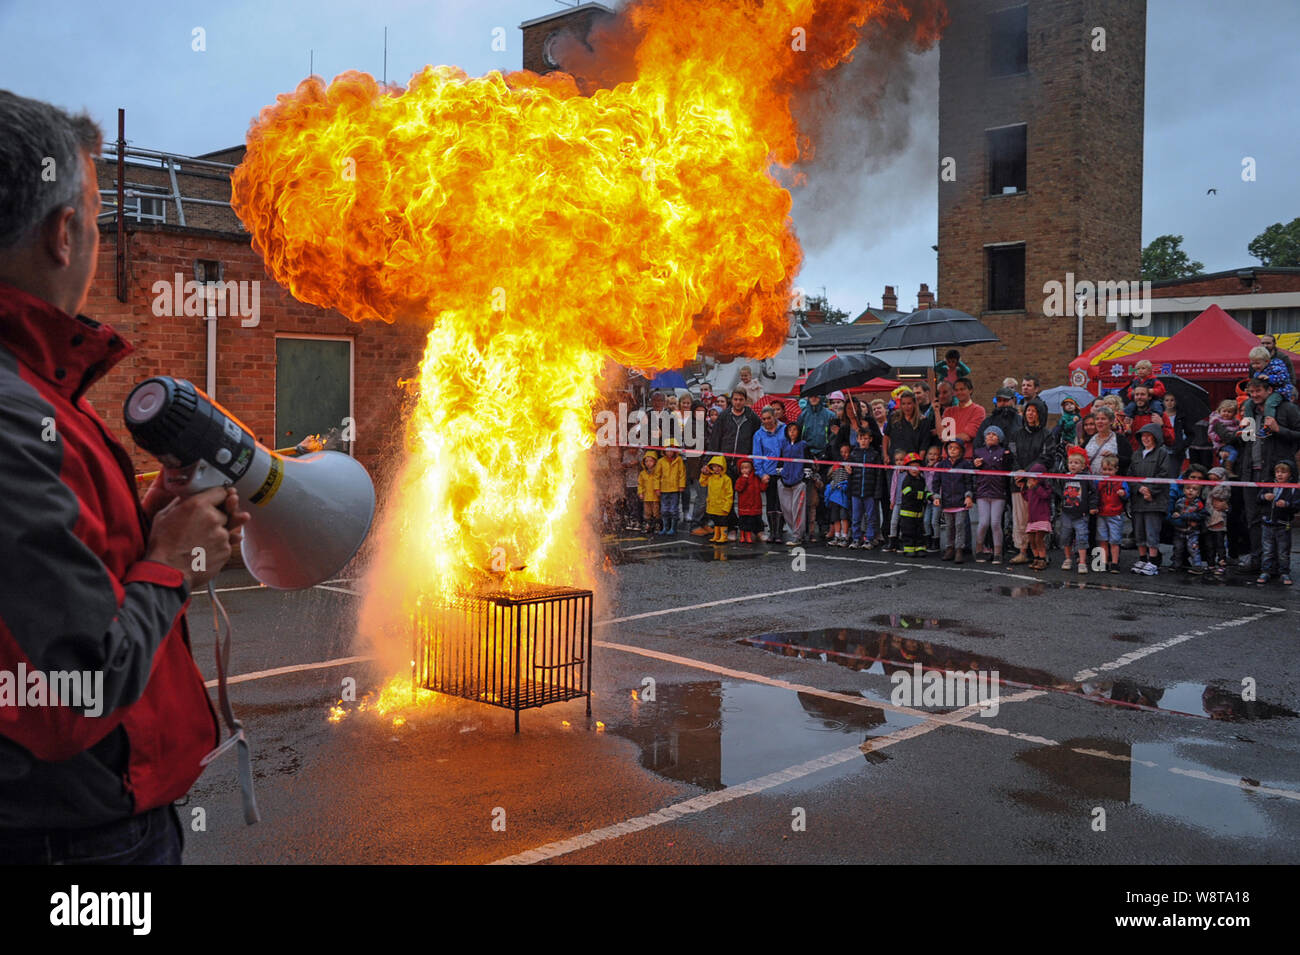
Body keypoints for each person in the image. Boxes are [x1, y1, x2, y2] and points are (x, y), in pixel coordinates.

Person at [0, 91, 249, 864]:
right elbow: (76, 686)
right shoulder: (15, 411)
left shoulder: (33, 390)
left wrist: (143, 528)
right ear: (65, 232)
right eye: (99, 219)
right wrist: (169, 563)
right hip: (73, 844)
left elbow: (38, 579)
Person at [1234, 374, 1300, 570]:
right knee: (1253, 518)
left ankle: (1279, 565)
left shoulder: (1287, 408)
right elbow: (1246, 442)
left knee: (1277, 519)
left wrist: (1279, 429)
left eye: (1258, 391)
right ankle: (1257, 560)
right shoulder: (1249, 410)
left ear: (1269, 391)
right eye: (1251, 392)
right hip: (1250, 471)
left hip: (1275, 473)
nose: (1254, 395)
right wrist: (1240, 434)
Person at [1007, 397, 1054, 565]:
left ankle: (1040, 554)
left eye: (1034, 411)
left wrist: (1028, 473)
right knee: (1020, 519)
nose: (1030, 414)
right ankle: (1022, 551)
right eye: (1028, 410)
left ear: (1040, 413)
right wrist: (1019, 472)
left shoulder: (1047, 435)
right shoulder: (1016, 435)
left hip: (1037, 484)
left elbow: (1047, 457)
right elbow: (1012, 455)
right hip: (1019, 483)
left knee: (1038, 521)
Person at [1129, 422, 1171, 575]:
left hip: (1155, 501)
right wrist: (1139, 488)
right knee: (1139, 531)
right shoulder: (1136, 454)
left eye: (1148, 436)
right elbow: (1130, 475)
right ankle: (1142, 558)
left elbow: (1164, 474)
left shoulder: (1162, 453)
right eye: (1143, 436)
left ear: (1155, 437)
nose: (1145, 439)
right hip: (1138, 500)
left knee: (1152, 531)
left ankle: (1153, 561)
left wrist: (1150, 490)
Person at [972, 425, 1013, 564]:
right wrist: (975, 464)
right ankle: (979, 550)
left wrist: (1008, 457)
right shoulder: (978, 452)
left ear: (1000, 438)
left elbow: (1008, 470)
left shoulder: (1004, 452)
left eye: (994, 434)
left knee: (995, 523)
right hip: (982, 491)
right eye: (988, 434)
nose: (990, 436)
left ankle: (998, 552)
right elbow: (973, 472)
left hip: (998, 492)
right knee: (983, 523)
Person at [1055, 447, 1097, 574]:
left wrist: (1093, 506)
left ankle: (1082, 562)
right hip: (1067, 513)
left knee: (1082, 537)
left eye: (1076, 463)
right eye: (1070, 462)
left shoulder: (1086, 478)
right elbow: (1060, 490)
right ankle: (1068, 559)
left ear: (1083, 465)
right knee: (1065, 537)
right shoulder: (1065, 477)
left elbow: (1094, 493)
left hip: (1081, 514)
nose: (1073, 465)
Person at [933, 438, 974, 563]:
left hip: (960, 502)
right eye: (950, 448)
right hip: (946, 502)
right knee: (949, 526)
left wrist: (968, 496)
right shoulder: (941, 465)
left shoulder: (965, 465)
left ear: (961, 451)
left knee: (959, 526)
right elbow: (936, 482)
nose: (953, 450)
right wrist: (936, 497)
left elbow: (969, 482)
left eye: (956, 448)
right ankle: (949, 548)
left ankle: (959, 549)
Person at [1257, 459, 1297, 585]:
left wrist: (1287, 504)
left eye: (1283, 472)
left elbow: (1297, 504)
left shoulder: (1293, 488)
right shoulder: (1269, 485)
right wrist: (1264, 497)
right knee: (1267, 549)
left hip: (1283, 524)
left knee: (1283, 551)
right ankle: (1266, 571)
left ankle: (1284, 572)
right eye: (1277, 472)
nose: (1279, 474)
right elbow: (1258, 498)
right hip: (1267, 523)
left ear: (1290, 474)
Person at [752, 406, 786, 543]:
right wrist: (761, 473)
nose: (767, 421)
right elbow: (757, 455)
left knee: (782, 503)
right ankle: (772, 532)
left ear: (774, 417)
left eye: (769, 418)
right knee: (771, 503)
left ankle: (779, 531)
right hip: (769, 473)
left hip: (784, 472)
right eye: (764, 419)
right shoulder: (758, 434)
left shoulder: (785, 429)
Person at [848, 426, 884, 548]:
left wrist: (877, 491)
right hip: (856, 491)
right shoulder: (853, 454)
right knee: (856, 517)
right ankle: (856, 538)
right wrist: (850, 490)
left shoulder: (874, 455)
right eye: (861, 438)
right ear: (857, 439)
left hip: (870, 491)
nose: (863, 441)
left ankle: (869, 538)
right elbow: (850, 475)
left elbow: (879, 475)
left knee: (871, 516)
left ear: (871, 439)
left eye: (866, 438)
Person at [1168, 470, 1209, 574]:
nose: (1190, 491)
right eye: (1188, 488)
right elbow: (1173, 513)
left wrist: (1184, 516)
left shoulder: (1199, 504)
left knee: (1193, 549)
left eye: (1194, 489)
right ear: (1183, 490)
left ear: (1198, 492)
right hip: (1179, 531)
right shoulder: (1179, 501)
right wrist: (1175, 516)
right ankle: (1176, 564)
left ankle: (1197, 566)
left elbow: (1202, 515)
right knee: (1178, 548)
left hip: (1192, 532)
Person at [777, 422, 811, 546]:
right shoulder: (784, 444)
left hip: (799, 482)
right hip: (784, 481)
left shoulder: (803, 445)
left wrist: (804, 479)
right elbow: (780, 461)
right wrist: (781, 475)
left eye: (795, 430)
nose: (792, 432)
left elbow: (808, 463)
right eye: (790, 430)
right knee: (787, 509)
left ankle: (798, 535)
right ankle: (795, 531)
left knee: (798, 510)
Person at [1095, 453, 1129, 574]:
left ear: (1116, 469)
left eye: (1110, 470)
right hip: (1102, 513)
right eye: (1104, 469)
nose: (1107, 472)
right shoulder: (1099, 481)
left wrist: (1123, 493)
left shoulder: (1121, 481)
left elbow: (1127, 494)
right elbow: (1094, 494)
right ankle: (1103, 562)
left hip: (1115, 514)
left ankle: (1114, 563)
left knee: (1114, 540)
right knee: (1102, 539)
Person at [941, 377, 986, 460]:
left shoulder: (978, 410)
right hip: (946, 457)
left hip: (965, 457)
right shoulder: (949, 411)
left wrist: (947, 438)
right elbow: (941, 435)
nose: (959, 392)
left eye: (962, 389)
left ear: (970, 390)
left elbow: (967, 436)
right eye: (957, 390)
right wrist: (936, 412)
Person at [1021, 463, 1054, 571]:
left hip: (1042, 518)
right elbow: (1027, 498)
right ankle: (1036, 557)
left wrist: (1036, 487)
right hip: (1032, 518)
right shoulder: (1030, 489)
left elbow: (1045, 495)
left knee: (1038, 539)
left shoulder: (1045, 487)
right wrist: (1023, 489)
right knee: (1032, 540)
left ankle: (1042, 558)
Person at [898, 453, 928, 557]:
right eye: (912, 467)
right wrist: (923, 495)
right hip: (907, 513)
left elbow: (925, 491)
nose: (915, 469)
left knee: (919, 531)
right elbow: (909, 494)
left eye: (917, 466)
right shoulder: (906, 480)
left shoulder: (922, 480)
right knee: (908, 531)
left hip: (918, 513)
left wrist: (930, 496)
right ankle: (908, 548)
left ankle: (920, 547)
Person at [699, 455, 734, 544]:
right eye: (714, 466)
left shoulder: (726, 479)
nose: (717, 469)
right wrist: (704, 474)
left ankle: (723, 536)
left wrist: (727, 506)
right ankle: (717, 535)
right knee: (716, 521)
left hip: (722, 506)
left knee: (723, 522)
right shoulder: (710, 478)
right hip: (713, 506)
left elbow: (729, 494)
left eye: (719, 466)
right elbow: (702, 483)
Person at [1127, 384, 1173, 451]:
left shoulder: (1159, 415)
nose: (1139, 397)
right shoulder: (1127, 416)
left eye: (1142, 394)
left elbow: (1171, 441)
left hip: (1154, 456)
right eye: (1137, 394)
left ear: (1149, 397)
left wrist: (1162, 426)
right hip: (1133, 456)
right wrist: (1125, 430)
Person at [654, 441, 686, 535]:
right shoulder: (660, 461)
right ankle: (665, 527)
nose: (669, 453)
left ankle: (673, 528)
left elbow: (682, 474)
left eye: (671, 451)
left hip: (675, 489)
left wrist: (681, 485)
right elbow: (657, 476)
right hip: (664, 489)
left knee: (673, 509)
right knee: (664, 509)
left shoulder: (679, 460)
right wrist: (657, 488)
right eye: (667, 451)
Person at [825, 444, 853, 546]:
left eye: (846, 452)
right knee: (835, 517)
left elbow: (850, 479)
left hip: (844, 497)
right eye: (842, 452)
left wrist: (845, 486)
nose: (844, 454)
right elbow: (830, 477)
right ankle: (837, 536)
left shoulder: (850, 465)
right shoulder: (836, 465)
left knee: (844, 517)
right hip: (834, 496)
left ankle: (845, 536)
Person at [1206, 468, 1232, 576]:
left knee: (1220, 545)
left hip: (1220, 522)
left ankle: (1222, 564)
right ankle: (1210, 564)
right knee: (1210, 545)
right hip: (1209, 520)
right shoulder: (1207, 490)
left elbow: (1222, 496)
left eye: (1215, 479)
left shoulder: (1224, 489)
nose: (1212, 482)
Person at [733, 458, 765, 544]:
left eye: (747, 467)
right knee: (743, 521)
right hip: (744, 506)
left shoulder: (756, 478)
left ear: (751, 468)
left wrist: (764, 482)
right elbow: (738, 488)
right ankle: (743, 536)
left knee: (752, 521)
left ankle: (749, 535)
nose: (745, 470)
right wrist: (744, 479)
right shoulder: (740, 479)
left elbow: (762, 489)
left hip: (755, 505)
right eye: (742, 468)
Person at [1163, 393, 1192, 478]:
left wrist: (1182, 445)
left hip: (1176, 451)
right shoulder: (1159, 415)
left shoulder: (1181, 416)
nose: (1169, 403)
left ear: (1176, 402)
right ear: (1163, 402)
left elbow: (1190, 434)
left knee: (1173, 474)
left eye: (1172, 400)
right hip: (1162, 449)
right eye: (1167, 400)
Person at [922, 443, 943, 553]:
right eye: (930, 454)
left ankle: (936, 541)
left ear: (939, 456)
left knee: (935, 521)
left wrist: (937, 497)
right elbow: (925, 482)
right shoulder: (926, 468)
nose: (932, 456)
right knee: (926, 520)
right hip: (928, 498)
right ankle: (928, 540)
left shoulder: (939, 467)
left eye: (935, 454)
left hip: (937, 498)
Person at [637, 451, 661, 533]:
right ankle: (648, 524)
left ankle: (657, 525)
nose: (648, 463)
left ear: (655, 462)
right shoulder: (642, 474)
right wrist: (640, 492)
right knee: (647, 512)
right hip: (646, 497)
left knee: (656, 511)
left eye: (651, 461)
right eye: (646, 461)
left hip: (655, 497)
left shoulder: (657, 473)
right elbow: (640, 484)